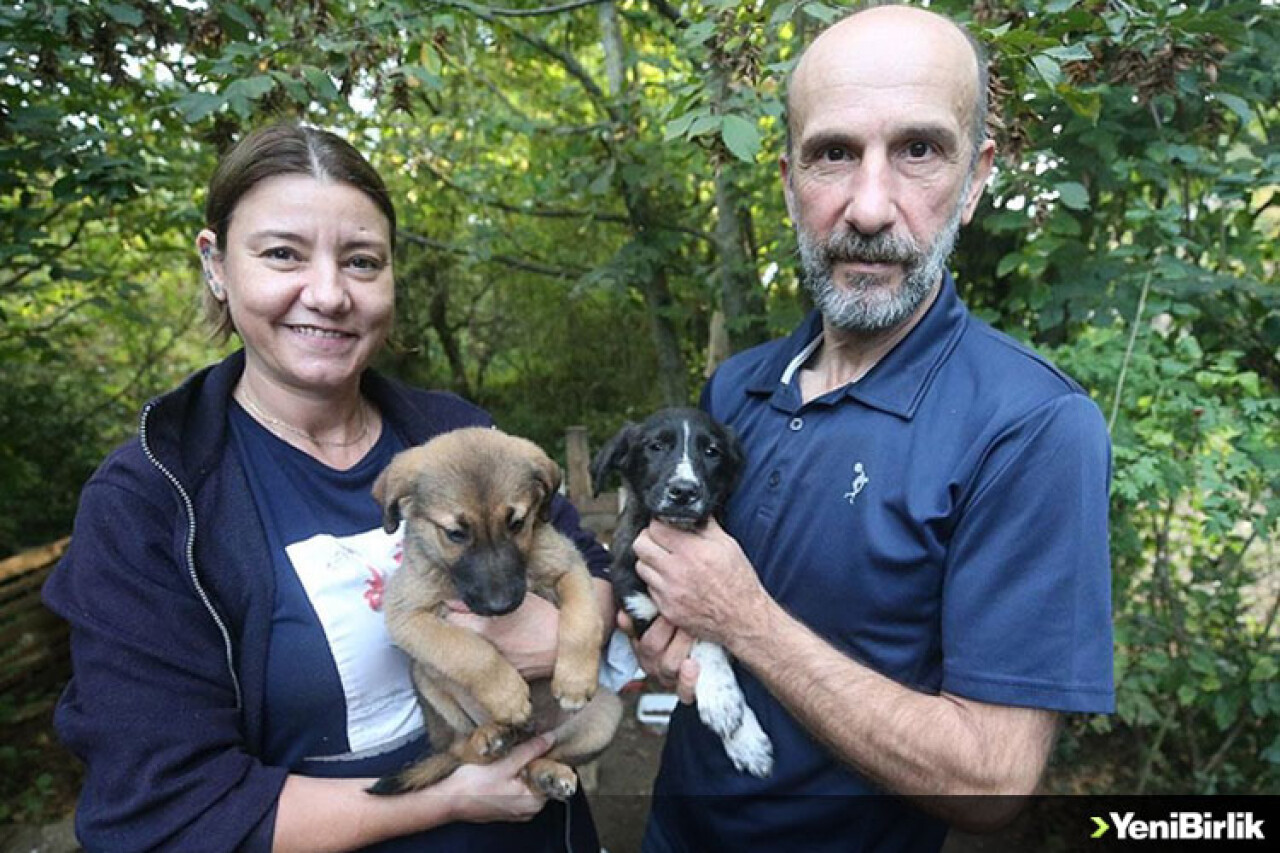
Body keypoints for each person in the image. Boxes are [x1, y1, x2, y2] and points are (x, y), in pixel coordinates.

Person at [43, 123, 616, 852]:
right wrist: (445, 800)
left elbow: (590, 571)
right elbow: (162, 808)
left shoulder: (457, 434)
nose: (329, 293)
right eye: (282, 252)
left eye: (362, 260)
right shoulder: (150, 501)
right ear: (216, 264)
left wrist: (564, 634)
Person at [625, 5, 1114, 852]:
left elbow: (993, 783)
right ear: (787, 181)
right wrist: (670, 641)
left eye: (919, 150)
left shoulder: (1032, 427)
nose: (870, 206)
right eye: (834, 153)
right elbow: (681, 599)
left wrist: (746, 621)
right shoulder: (736, 389)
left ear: (976, 178)